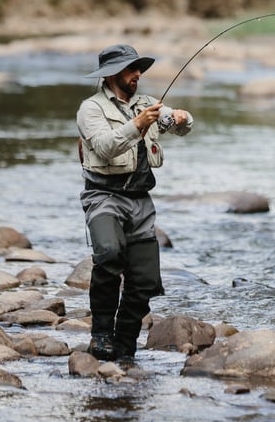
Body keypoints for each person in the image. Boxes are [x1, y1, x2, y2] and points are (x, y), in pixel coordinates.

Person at [76, 44, 193, 361]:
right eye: (131, 69)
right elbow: (104, 146)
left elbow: (177, 124)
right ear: (113, 74)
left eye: (139, 68)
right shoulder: (91, 109)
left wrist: (182, 119)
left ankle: (125, 342)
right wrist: (138, 124)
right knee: (109, 254)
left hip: (141, 200)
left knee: (145, 283)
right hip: (103, 195)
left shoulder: (146, 104)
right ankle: (101, 336)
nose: (138, 75)